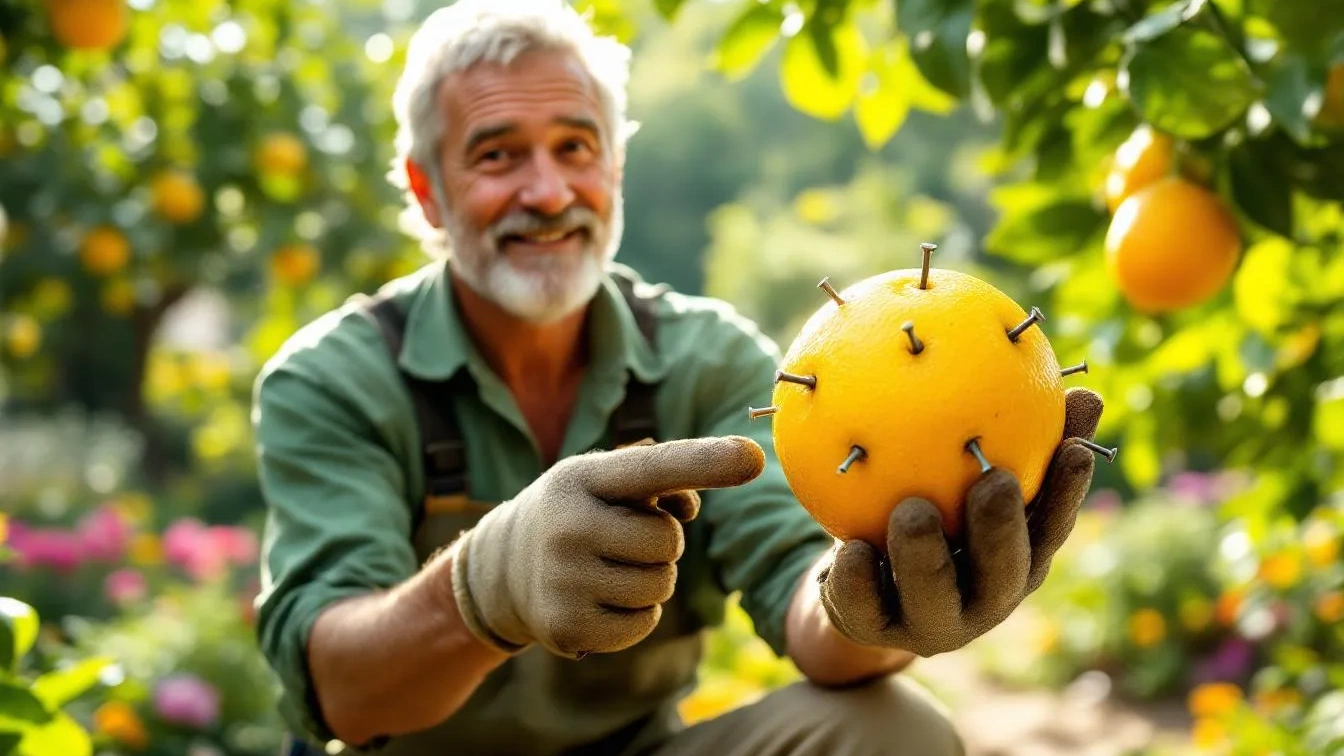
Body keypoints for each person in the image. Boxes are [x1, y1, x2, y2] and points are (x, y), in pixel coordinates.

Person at [250, 1, 1107, 754]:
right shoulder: (334, 380)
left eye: (575, 146)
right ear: (427, 191)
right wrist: (485, 587)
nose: (548, 192)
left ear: (614, 167)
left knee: (895, 732)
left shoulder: (705, 361)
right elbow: (341, 694)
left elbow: (805, 597)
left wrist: (884, 605)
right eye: (498, 155)